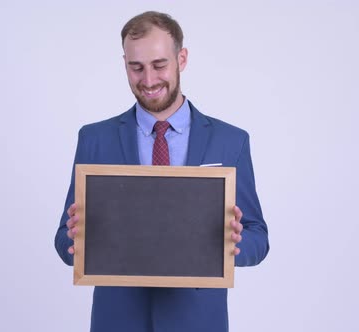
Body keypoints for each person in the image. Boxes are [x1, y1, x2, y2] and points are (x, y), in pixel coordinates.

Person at [54, 11, 269, 332]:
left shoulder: (230, 141)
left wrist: (234, 245)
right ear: (124, 63)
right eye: (136, 67)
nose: (149, 80)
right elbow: (64, 242)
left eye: (159, 65)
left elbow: (258, 237)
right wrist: (75, 240)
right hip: (117, 321)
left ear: (181, 59)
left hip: (197, 322)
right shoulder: (95, 139)